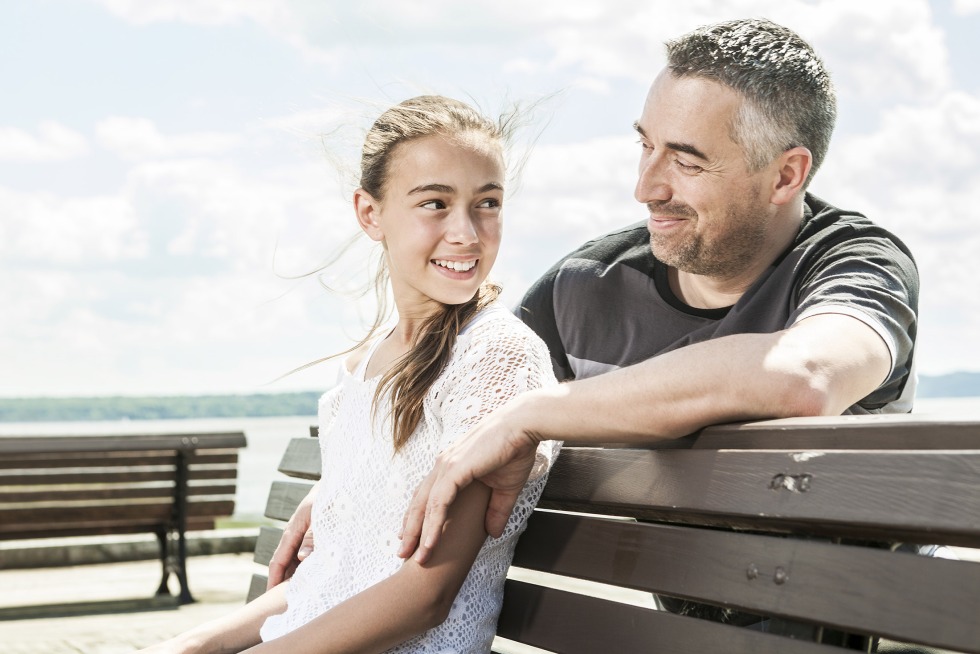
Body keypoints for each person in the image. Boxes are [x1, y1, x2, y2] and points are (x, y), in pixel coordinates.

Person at [268, 18, 919, 649]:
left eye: (686, 162)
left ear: (785, 175)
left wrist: (533, 415)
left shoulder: (855, 262)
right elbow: (464, 400)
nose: (645, 187)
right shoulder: (585, 285)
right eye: (645, 145)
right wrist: (353, 491)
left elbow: (803, 376)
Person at [140, 95, 560, 653]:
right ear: (370, 213)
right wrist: (193, 644)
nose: (467, 232)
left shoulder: (496, 356)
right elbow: (329, 576)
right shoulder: (363, 370)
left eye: (487, 203)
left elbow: (425, 596)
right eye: (434, 203)